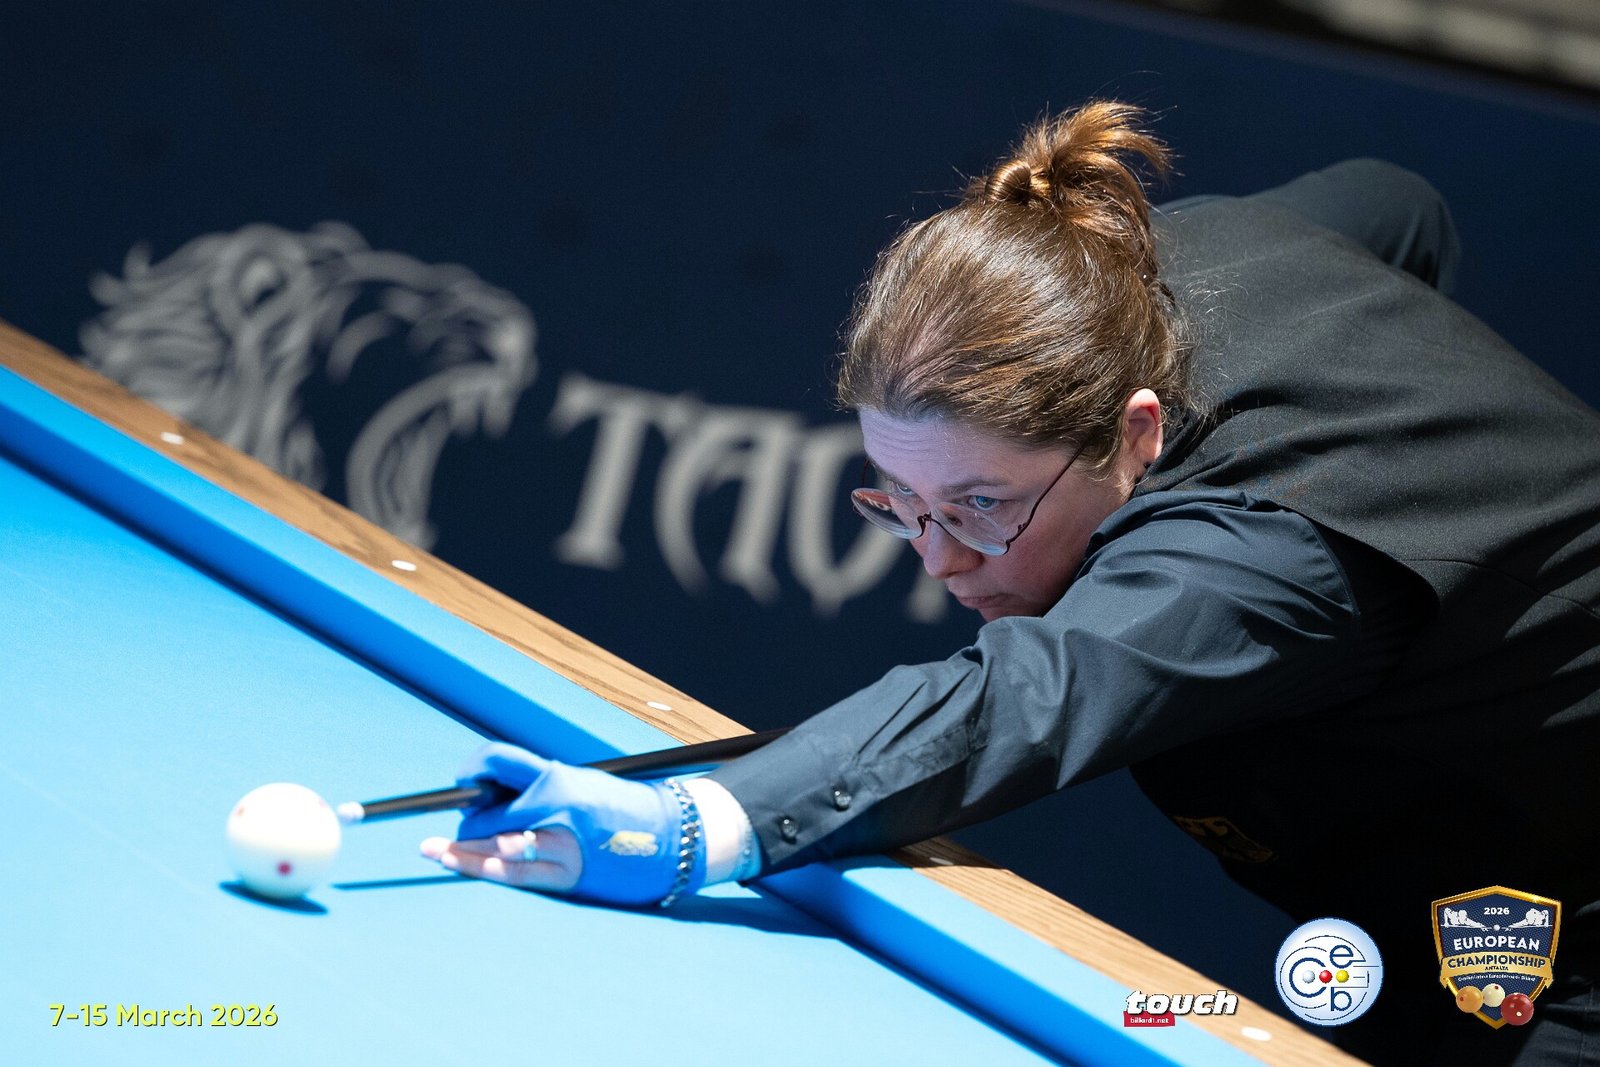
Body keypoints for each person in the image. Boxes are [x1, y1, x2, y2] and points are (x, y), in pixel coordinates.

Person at [419, 101, 1600, 1063]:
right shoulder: (1122, 275)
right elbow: (1396, 202)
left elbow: (1018, 698)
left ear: (1136, 435)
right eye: (901, 499)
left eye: (982, 505)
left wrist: (699, 824)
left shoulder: (1257, 563)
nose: (939, 556)